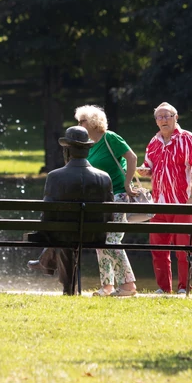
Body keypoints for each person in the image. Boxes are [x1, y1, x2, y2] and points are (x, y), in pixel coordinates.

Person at [29, 126, 113, 295]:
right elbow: (109, 214)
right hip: (95, 235)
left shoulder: (55, 176)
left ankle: (64, 284)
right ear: (87, 150)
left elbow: (48, 213)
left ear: (67, 151)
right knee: (65, 234)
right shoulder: (104, 177)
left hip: (64, 234)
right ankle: (49, 264)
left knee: (62, 236)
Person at [137, 102, 192, 294]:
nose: (163, 120)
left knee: (184, 249)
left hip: (182, 201)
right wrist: (144, 170)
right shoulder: (154, 141)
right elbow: (149, 166)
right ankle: (163, 288)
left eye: (167, 116)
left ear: (176, 117)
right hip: (158, 202)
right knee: (158, 248)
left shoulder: (187, 138)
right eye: (160, 117)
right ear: (156, 121)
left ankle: (184, 287)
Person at [75, 105, 138, 297]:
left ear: (93, 122)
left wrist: (128, 184)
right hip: (101, 200)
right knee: (101, 241)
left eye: (82, 121)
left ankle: (128, 285)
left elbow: (132, 157)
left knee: (111, 241)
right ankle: (107, 286)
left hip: (118, 195)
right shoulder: (89, 145)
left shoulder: (110, 138)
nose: (78, 125)